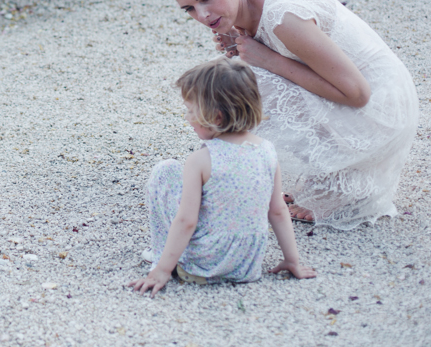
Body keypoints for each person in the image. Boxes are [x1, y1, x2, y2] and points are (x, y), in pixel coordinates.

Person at [163, 0, 419, 229]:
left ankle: (336, 185)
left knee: (240, 84)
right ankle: (314, 177)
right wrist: (239, 40)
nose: (203, 15)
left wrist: (268, 59)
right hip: (360, 95)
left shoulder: (282, 18)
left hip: (380, 111)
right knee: (239, 75)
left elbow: (358, 94)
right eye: (190, 9)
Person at [129, 57, 315, 297]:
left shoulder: (201, 160)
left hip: (202, 265)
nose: (187, 118)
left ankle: (162, 256)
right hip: (245, 266)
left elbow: (187, 220)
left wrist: (162, 271)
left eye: (190, 111)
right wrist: (293, 261)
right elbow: (278, 210)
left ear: (215, 118)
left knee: (165, 171)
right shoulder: (267, 150)